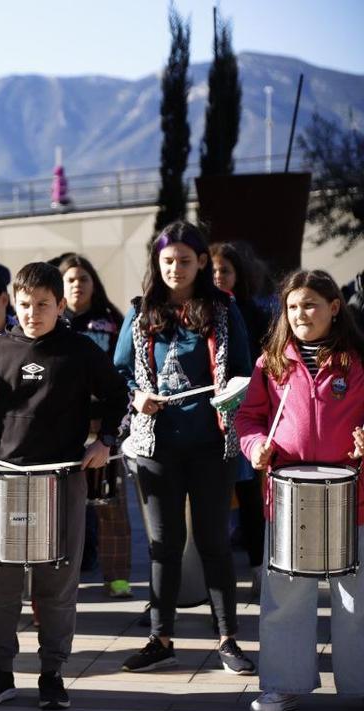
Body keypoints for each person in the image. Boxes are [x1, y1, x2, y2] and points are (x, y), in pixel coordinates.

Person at [0, 262, 127, 710]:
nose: (33, 313)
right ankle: (1, 672)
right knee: (0, 581)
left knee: (57, 581)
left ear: (60, 305)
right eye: (26, 305)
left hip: (63, 477)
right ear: (14, 304)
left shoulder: (80, 350)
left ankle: (52, 673)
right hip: (6, 479)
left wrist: (106, 441)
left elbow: (118, 395)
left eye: (43, 305)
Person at [113, 221, 256, 675]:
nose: (176, 268)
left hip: (212, 444)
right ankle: (160, 639)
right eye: (168, 260)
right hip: (157, 447)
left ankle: (228, 638)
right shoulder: (140, 312)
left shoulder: (223, 309)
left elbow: (243, 370)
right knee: (164, 544)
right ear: (157, 263)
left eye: (185, 260)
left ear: (201, 263)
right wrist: (137, 396)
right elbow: (121, 373)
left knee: (214, 542)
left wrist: (229, 394)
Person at [237, 269, 364, 711]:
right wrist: (256, 447)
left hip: (355, 498)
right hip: (288, 498)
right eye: (292, 306)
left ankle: (360, 686)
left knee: (357, 598)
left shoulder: (357, 360)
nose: (300, 314)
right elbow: (249, 420)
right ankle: (284, 683)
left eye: (310, 304)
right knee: (286, 596)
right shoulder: (271, 362)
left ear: (334, 307)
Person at [59, 254, 133, 597]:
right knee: (62, 507)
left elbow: (124, 368)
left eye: (83, 278)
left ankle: (117, 578)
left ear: (94, 283)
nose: (77, 285)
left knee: (110, 504)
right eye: (70, 279)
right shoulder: (52, 321)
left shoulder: (111, 321)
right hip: (62, 426)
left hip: (103, 425)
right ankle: (62, 578)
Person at [211, 240, 276, 601]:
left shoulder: (252, 312)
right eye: (213, 270)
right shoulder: (200, 309)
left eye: (226, 270)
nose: (218, 276)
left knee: (250, 496)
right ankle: (210, 577)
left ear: (239, 275)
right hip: (208, 421)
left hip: (247, 417)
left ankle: (258, 568)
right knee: (213, 501)